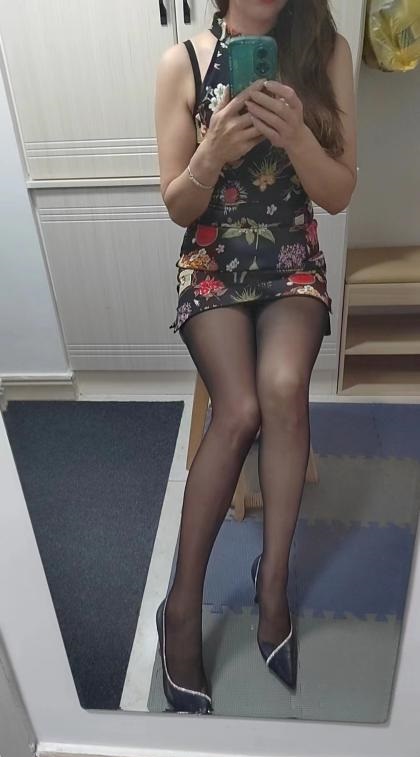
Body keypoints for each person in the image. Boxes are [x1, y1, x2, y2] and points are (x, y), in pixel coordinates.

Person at [154, 0, 357, 714]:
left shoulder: (326, 52)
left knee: (283, 386)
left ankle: (273, 588)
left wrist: (296, 135)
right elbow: (179, 206)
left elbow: (338, 194)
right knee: (237, 410)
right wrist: (210, 155)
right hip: (211, 263)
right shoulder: (182, 63)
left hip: (291, 261)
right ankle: (182, 609)